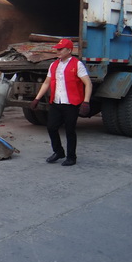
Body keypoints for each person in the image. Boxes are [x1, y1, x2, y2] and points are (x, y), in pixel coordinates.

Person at [30, 38, 92, 166]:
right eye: (57, 49)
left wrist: (86, 102)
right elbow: (46, 82)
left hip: (71, 103)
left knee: (70, 130)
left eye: (60, 49)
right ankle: (58, 152)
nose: (57, 51)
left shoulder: (77, 64)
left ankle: (71, 157)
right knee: (51, 127)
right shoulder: (54, 65)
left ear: (69, 50)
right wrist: (37, 98)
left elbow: (88, 83)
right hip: (56, 102)